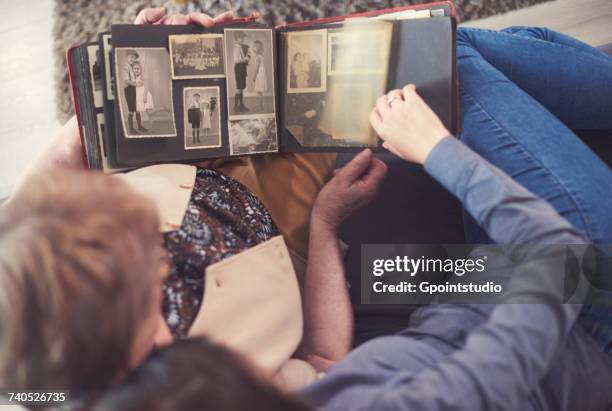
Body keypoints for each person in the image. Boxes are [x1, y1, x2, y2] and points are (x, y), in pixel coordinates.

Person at [99, 26, 612, 411]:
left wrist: (325, 225)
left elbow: (323, 363)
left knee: (454, 59)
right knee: (441, 61)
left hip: (466, 293)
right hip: (583, 296)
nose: (166, 336)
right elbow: (554, 256)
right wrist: (436, 150)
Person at [121, 50, 145, 134]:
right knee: (131, 110)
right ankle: (131, 129)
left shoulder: (132, 66)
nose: (132, 59)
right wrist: (136, 84)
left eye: (134, 58)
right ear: (127, 57)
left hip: (134, 89)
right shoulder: (125, 67)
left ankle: (140, 126)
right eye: (131, 57)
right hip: (129, 90)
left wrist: (140, 80)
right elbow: (126, 81)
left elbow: (137, 75)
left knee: (137, 109)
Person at [132, 60, 153, 131]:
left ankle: (162, 109)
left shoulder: (142, 77)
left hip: (144, 95)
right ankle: (142, 126)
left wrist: (145, 96)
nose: (136, 70)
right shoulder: (134, 77)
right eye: (135, 69)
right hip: (139, 97)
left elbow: (146, 86)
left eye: (138, 69)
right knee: (139, 111)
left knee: (149, 112)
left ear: (141, 70)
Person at [233, 31, 250, 112]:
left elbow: (246, 57)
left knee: (241, 88)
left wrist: (248, 56)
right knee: (239, 88)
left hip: (242, 68)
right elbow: (235, 61)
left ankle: (241, 105)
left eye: (243, 37)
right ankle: (236, 107)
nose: (243, 39)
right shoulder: (236, 47)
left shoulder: (241, 46)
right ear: (236, 39)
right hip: (239, 68)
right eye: (241, 37)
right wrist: (245, 59)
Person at [251, 39, 267, 112]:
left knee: (259, 91)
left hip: (259, 74)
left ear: (258, 48)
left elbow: (257, 68)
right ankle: (260, 106)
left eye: (254, 47)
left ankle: (260, 106)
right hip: (261, 73)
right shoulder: (261, 55)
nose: (253, 48)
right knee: (260, 91)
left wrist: (254, 77)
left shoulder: (258, 57)